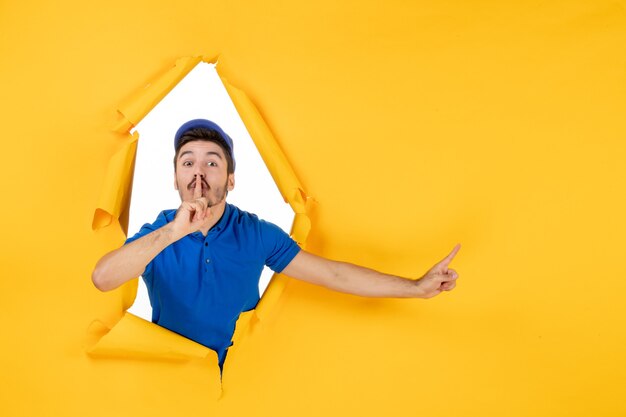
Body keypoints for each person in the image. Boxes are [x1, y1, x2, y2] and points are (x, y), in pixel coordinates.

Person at [92, 119, 461, 369]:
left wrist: (415, 287)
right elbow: (103, 278)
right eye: (187, 163)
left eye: (212, 163)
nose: (199, 173)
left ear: (231, 179)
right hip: (173, 383)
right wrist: (174, 232)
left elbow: (334, 274)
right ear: (175, 178)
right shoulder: (158, 233)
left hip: (242, 382)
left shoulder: (255, 233)